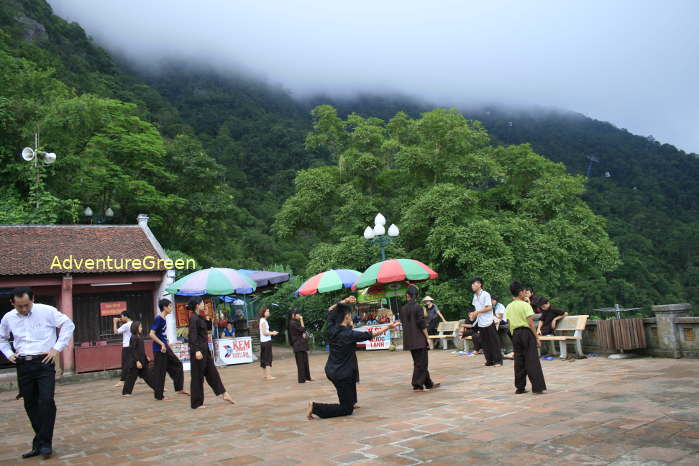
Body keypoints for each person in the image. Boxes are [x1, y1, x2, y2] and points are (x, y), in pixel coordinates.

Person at [0, 287, 75, 460]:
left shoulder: (46, 311)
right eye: (20, 306)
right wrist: (8, 353)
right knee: (30, 403)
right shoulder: (8, 318)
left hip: (44, 362)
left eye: (27, 305)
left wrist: (56, 348)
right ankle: (41, 442)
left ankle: (43, 443)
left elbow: (68, 324)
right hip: (23, 364)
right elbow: (2, 338)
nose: (24, 309)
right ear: (12, 303)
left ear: (33, 299)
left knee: (46, 400)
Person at [306, 304, 398, 419]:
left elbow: (330, 311)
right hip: (342, 373)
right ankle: (315, 407)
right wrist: (388, 327)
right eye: (350, 315)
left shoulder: (331, 328)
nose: (351, 317)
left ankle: (350, 401)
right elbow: (370, 334)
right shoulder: (348, 334)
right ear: (346, 316)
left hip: (332, 370)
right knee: (346, 410)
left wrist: (343, 303)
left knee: (348, 390)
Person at [187, 297, 235, 409]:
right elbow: (192, 337)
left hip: (205, 351)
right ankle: (196, 403)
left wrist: (207, 316)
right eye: (203, 303)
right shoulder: (193, 318)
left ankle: (224, 393)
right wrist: (196, 351)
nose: (204, 305)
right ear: (197, 305)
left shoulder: (200, 317)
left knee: (213, 373)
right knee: (197, 378)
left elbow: (208, 330)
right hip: (198, 352)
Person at [506, 281, 547, 394]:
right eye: (524, 291)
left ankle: (520, 388)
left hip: (515, 334)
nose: (526, 293)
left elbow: (509, 324)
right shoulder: (525, 305)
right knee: (532, 359)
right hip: (526, 333)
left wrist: (513, 336)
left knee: (519, 361)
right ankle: (537, 388)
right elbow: (530, 323)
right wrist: (536, 338)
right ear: (520, 292)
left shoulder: (509, 306)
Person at [402, 285, 441, 391]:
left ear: (407, 295)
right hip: (419, 339)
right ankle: (417, 384)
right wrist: (427, 338)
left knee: (419, 362)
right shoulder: (418, 307)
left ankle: (428, 383)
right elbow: (422, 325)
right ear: (417, 295)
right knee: (422, 363)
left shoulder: (403, 309)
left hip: (409, 340)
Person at [150, 299, 188, 400]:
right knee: (160, 372)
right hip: (159, 350)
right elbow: (151, 334)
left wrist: (168, 344)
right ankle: (159, 396)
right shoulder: (159, 319)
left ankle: (179, 388)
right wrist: (162, 344)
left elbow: (162, 335)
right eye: (170, 306)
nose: (171, 308)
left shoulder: (164, 319)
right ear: (165, 307)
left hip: (165, 348)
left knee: (177, 364)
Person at [469, 278, 502, 367]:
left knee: (493, 342)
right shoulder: (475, 296)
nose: (472, 286)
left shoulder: (486, 294)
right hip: (480, 322)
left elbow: (489, 308)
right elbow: (476, 309)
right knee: (485, 343)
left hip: (489, 322)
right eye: (471, 284)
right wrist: (473, 315)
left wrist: (477, 312)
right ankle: (489, 361)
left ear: (479, 285)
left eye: (474, 284)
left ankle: (498, 361)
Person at [122, 321, 156, 397]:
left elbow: (140, 350)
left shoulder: (139, 337)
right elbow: (133, 350)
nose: (141, 328)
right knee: (131, 377)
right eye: (140, 327)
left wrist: (145, 356)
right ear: (136, 328)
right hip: (135, 362)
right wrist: (137, 361)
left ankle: (157, 388)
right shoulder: (133, 337)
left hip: (142, 360)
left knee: (148, 376)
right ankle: (126, 392)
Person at [288, 309, 313, 383]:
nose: (299, 315)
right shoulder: (292, 323)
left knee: (305, 361)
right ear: (293, 315)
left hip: (301, 344)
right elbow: (303, 329)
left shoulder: (295, 322)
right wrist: (302, 320)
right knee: (301, 363)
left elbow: (302, 332)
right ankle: (302, 379)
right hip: (298, 345)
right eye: (298, 314)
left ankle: (307, 377)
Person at [112, 311, 132, 388]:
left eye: (122, 316)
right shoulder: (133, 323)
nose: (121, 318)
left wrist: (114, 322)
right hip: (133, 346)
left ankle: (122, 381)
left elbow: (115, 332)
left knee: (125, 364)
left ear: (126, 316)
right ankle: (142, 378)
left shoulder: (126, 325)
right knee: (135, 362)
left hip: (127, 347)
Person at [259, 307, 279, 380]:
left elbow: (264, 331)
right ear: (263, 313)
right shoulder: (263, 321)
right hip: (266, 342)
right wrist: (273, 333)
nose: (268, 312)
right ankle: (268, 376)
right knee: (268, 358)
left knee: (264, 358)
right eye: (267, 311)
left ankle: (265, 375)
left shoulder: (262, 320)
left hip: (263, 342)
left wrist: (271, 332)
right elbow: (265, 333)